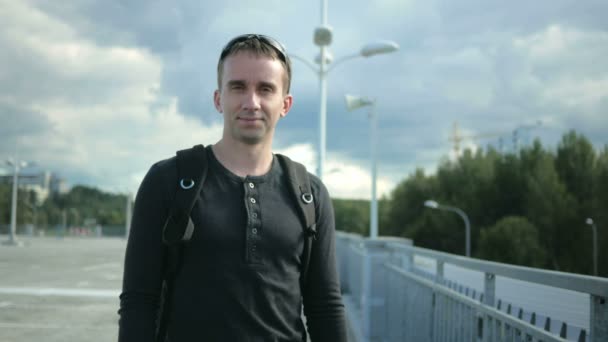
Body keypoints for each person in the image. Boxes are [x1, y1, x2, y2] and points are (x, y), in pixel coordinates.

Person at [118, 34, 347, 341]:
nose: (251, 102)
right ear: (218, 98)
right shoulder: (168, 180)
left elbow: (325, 307)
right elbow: (139, 301)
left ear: (285, 104)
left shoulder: (310, 194)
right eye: (238, 87)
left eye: (266, 89)